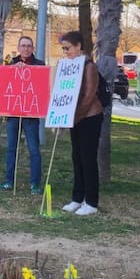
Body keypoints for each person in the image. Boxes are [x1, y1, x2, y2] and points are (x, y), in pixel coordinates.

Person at [59, 30, 104, 217]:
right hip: (76, 117)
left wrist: (73, 117)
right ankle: (77, 198)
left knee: (88, 159)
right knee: (76, 157)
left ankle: (91, 201)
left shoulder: (89, 66)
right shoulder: (71, 65)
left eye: (68, 48)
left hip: (90, 117)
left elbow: (88, 96)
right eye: (63, 49)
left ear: (78, 46)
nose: (66, 52)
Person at [0, 35, 45, 194]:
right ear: (18, 48)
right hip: (13, 114)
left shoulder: (40, 65)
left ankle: (35, 183)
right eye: (23, 45)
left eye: (29, 46)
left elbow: (42, 87)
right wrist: (13, 69)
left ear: (32, 48)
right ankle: (9, 181)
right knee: (11, 148)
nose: (26, 48)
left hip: (31, 116)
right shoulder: (11, 64)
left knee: (34, 150)